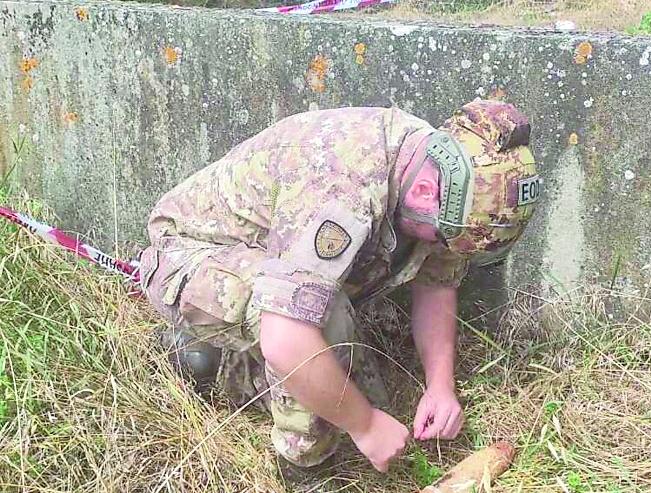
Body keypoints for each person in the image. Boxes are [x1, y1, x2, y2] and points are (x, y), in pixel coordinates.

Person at [137, 98, 542, 475]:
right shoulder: (343, 184)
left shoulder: (446, 175)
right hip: (192, 256)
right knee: (321, 329)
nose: (443, 245)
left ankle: (211, 359)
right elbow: (287, 336)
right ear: (424, 192)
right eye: (443, 236)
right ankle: (302, 466)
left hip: (270, 254)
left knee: (360, 392)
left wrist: (440, 386)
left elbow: (437, 281)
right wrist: (364, 426)